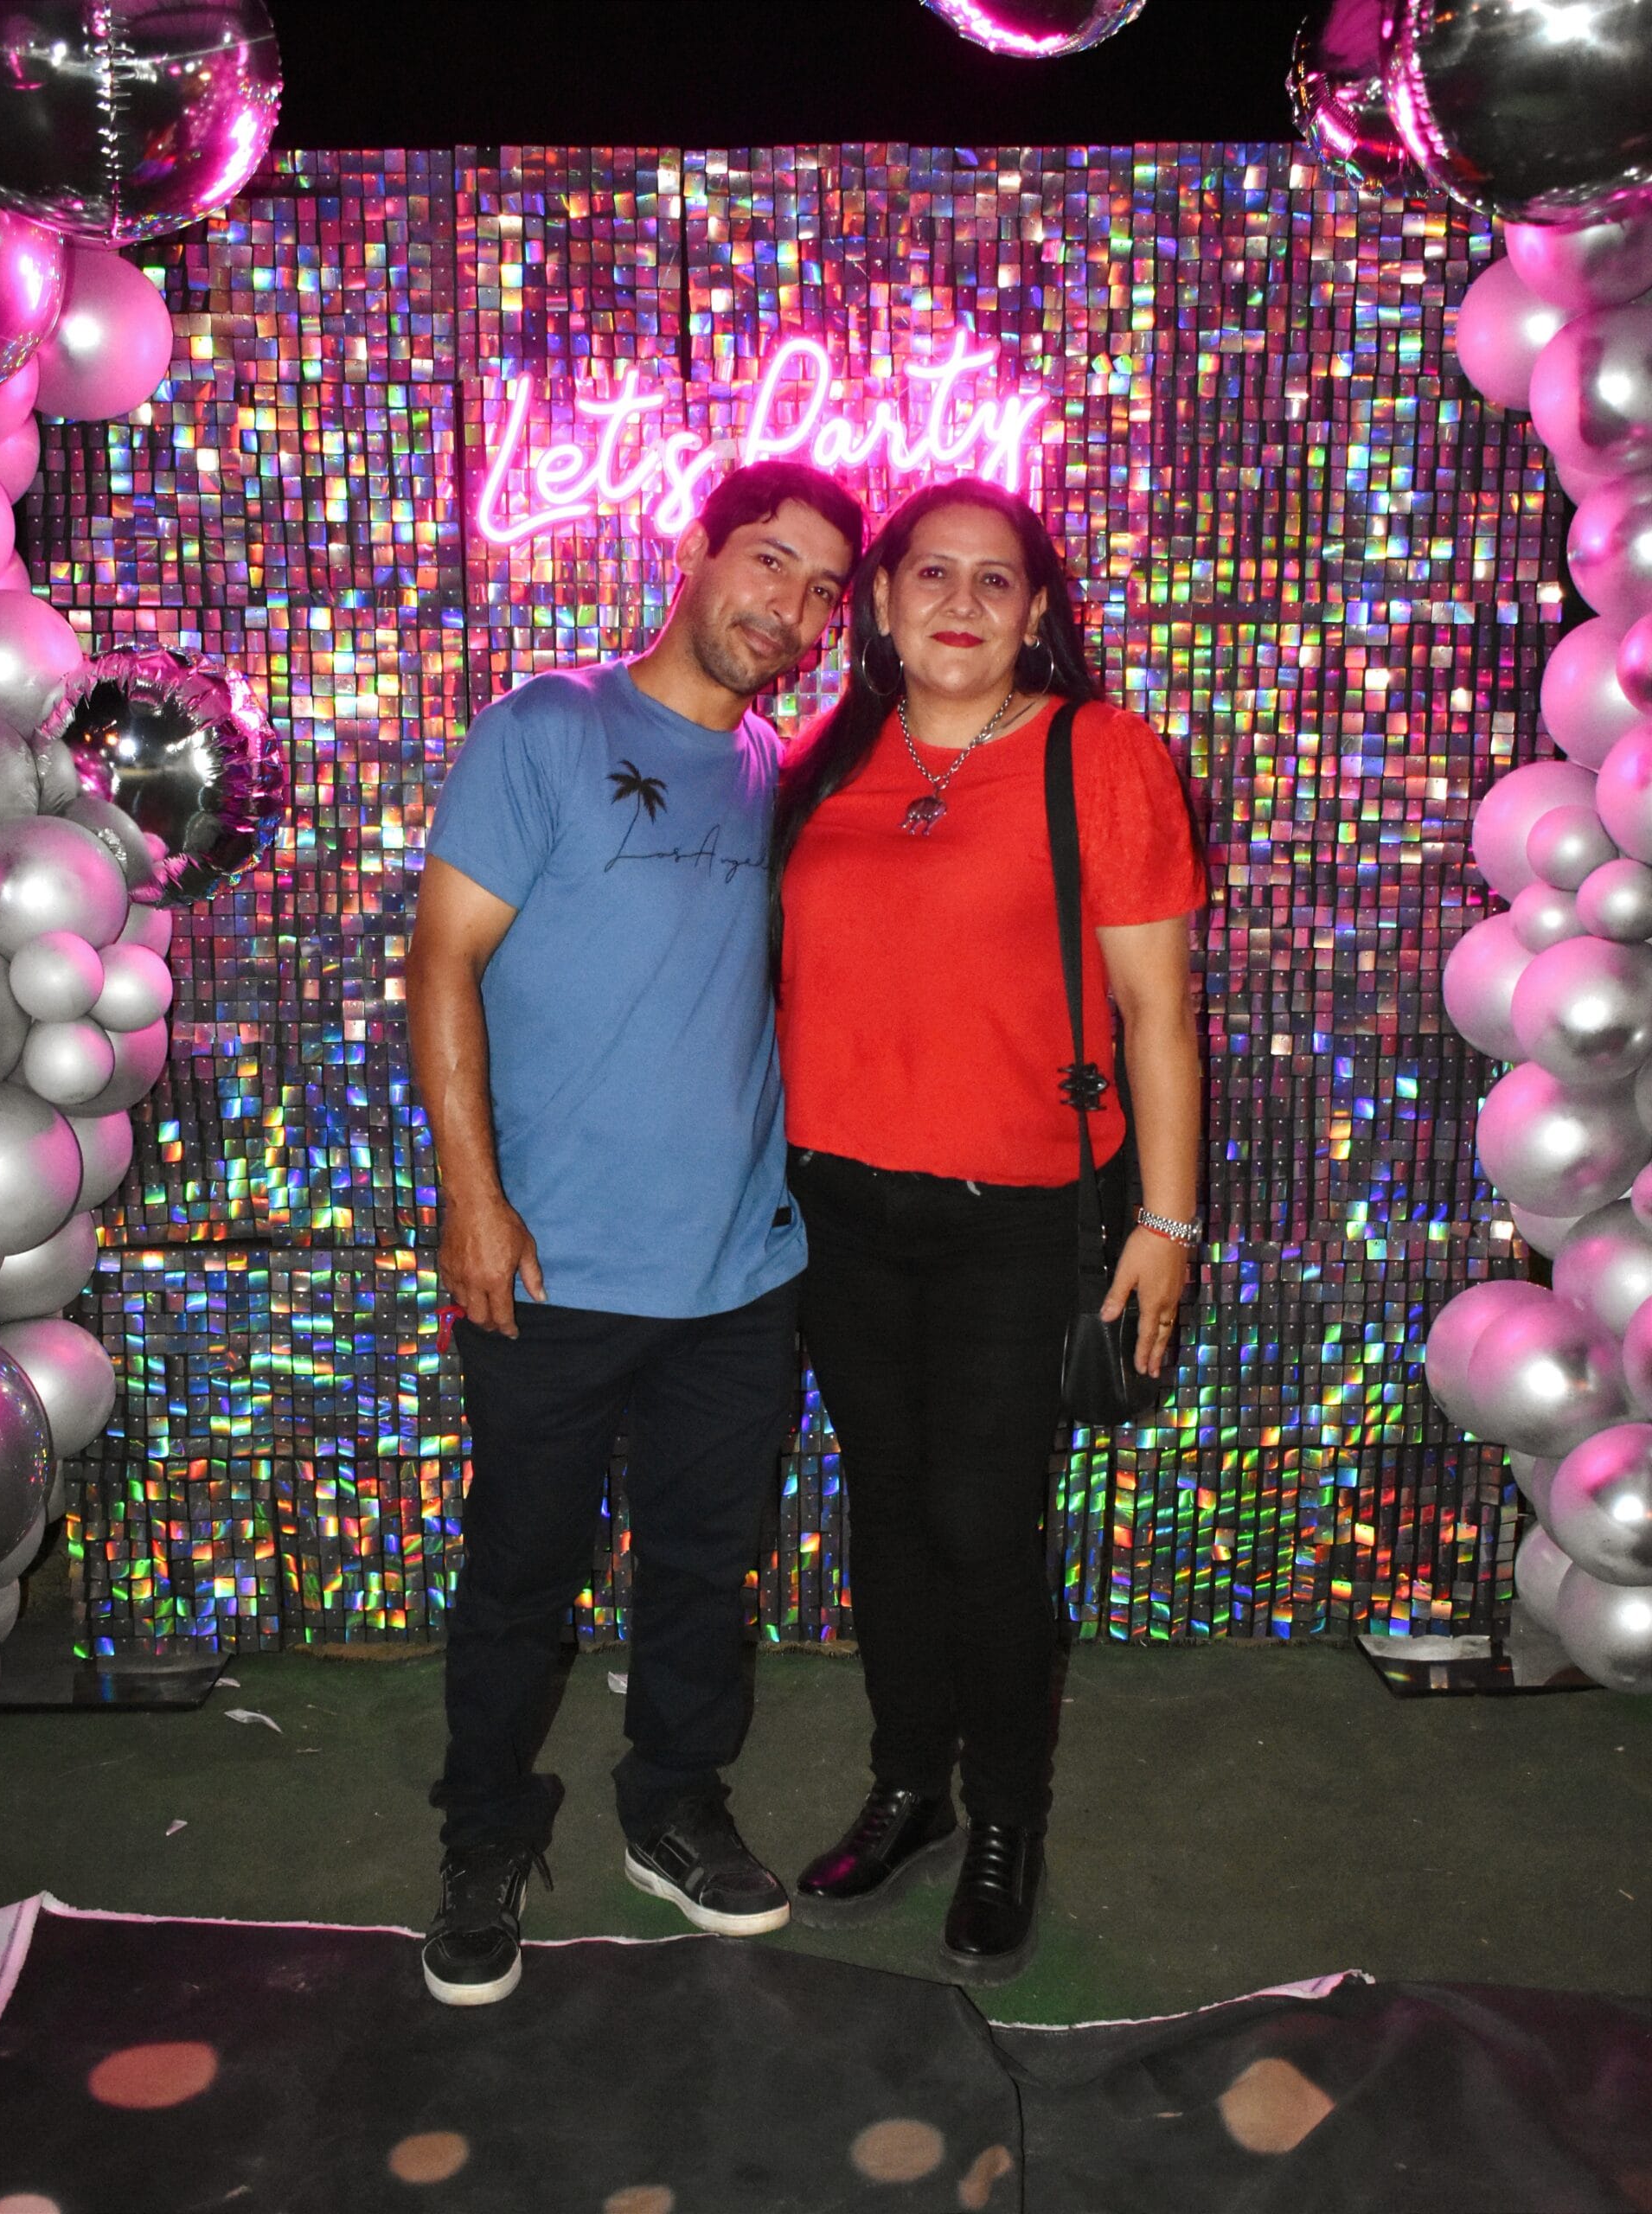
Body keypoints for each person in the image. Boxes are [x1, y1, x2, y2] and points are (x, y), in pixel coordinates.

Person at [406, 459, 864, 2006]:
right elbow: (442, 964)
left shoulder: (772, 767)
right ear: (693, 551)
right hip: (552, 1262)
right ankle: (483, 1834)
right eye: (770, 562)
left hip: (739, 1270)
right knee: (519, 1577)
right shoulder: (547, 726)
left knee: (701, 1571)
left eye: (822, 590)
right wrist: (475, 1200)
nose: (792, 609)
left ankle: (673, 1802)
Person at [772, 479, 1205, 1982]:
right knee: (887, 1515)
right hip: (835, 1210)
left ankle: (1007, 1819)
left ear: (1035, 612)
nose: (962, 602)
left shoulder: (1101, 754)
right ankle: (909, 1792)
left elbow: (1158, 1015)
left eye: (996, 579)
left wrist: (1168, 1222)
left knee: (979, 1523)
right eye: (932, 574)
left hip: (1019, 1219)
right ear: (882, 602)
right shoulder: (822, 763)